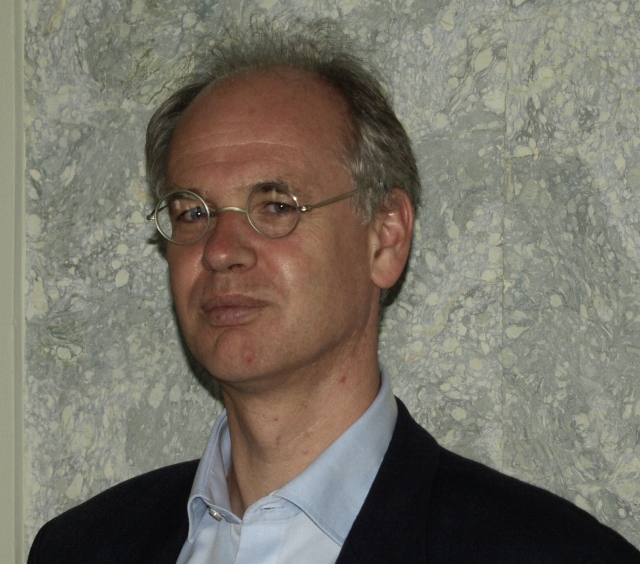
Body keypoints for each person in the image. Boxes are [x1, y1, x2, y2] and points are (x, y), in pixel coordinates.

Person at [28, 19, 640, 564]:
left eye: (275, 205)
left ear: (385, 239)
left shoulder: (556, 553)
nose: (219, 250)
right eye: (193, 213)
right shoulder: (78, 548)